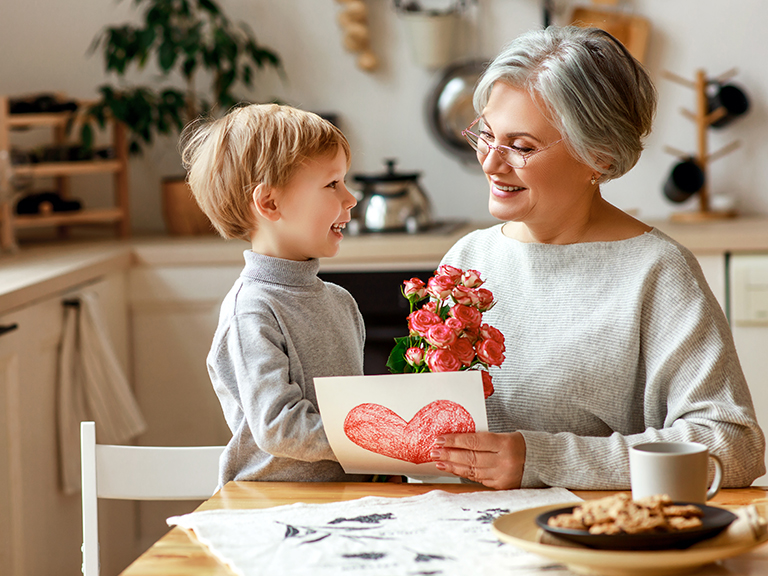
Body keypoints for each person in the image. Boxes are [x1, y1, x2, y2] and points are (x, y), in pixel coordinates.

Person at [429, 26, 765, 490]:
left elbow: (734, 444)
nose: (490, 163)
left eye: (521, 147)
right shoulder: (468, 258)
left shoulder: (657, 271)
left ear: (600, 158)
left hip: (595, 541)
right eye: (487, 135)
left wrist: (543, 459)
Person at [181, 103, 368, 485]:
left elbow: (351, 415)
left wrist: (382, 466)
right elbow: (279, 427)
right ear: (269, 203)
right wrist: (383, 442)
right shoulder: (251, 311)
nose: (351, 198)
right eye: (332, 184)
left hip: (342, 499)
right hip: (268, 507)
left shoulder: (340, 302)